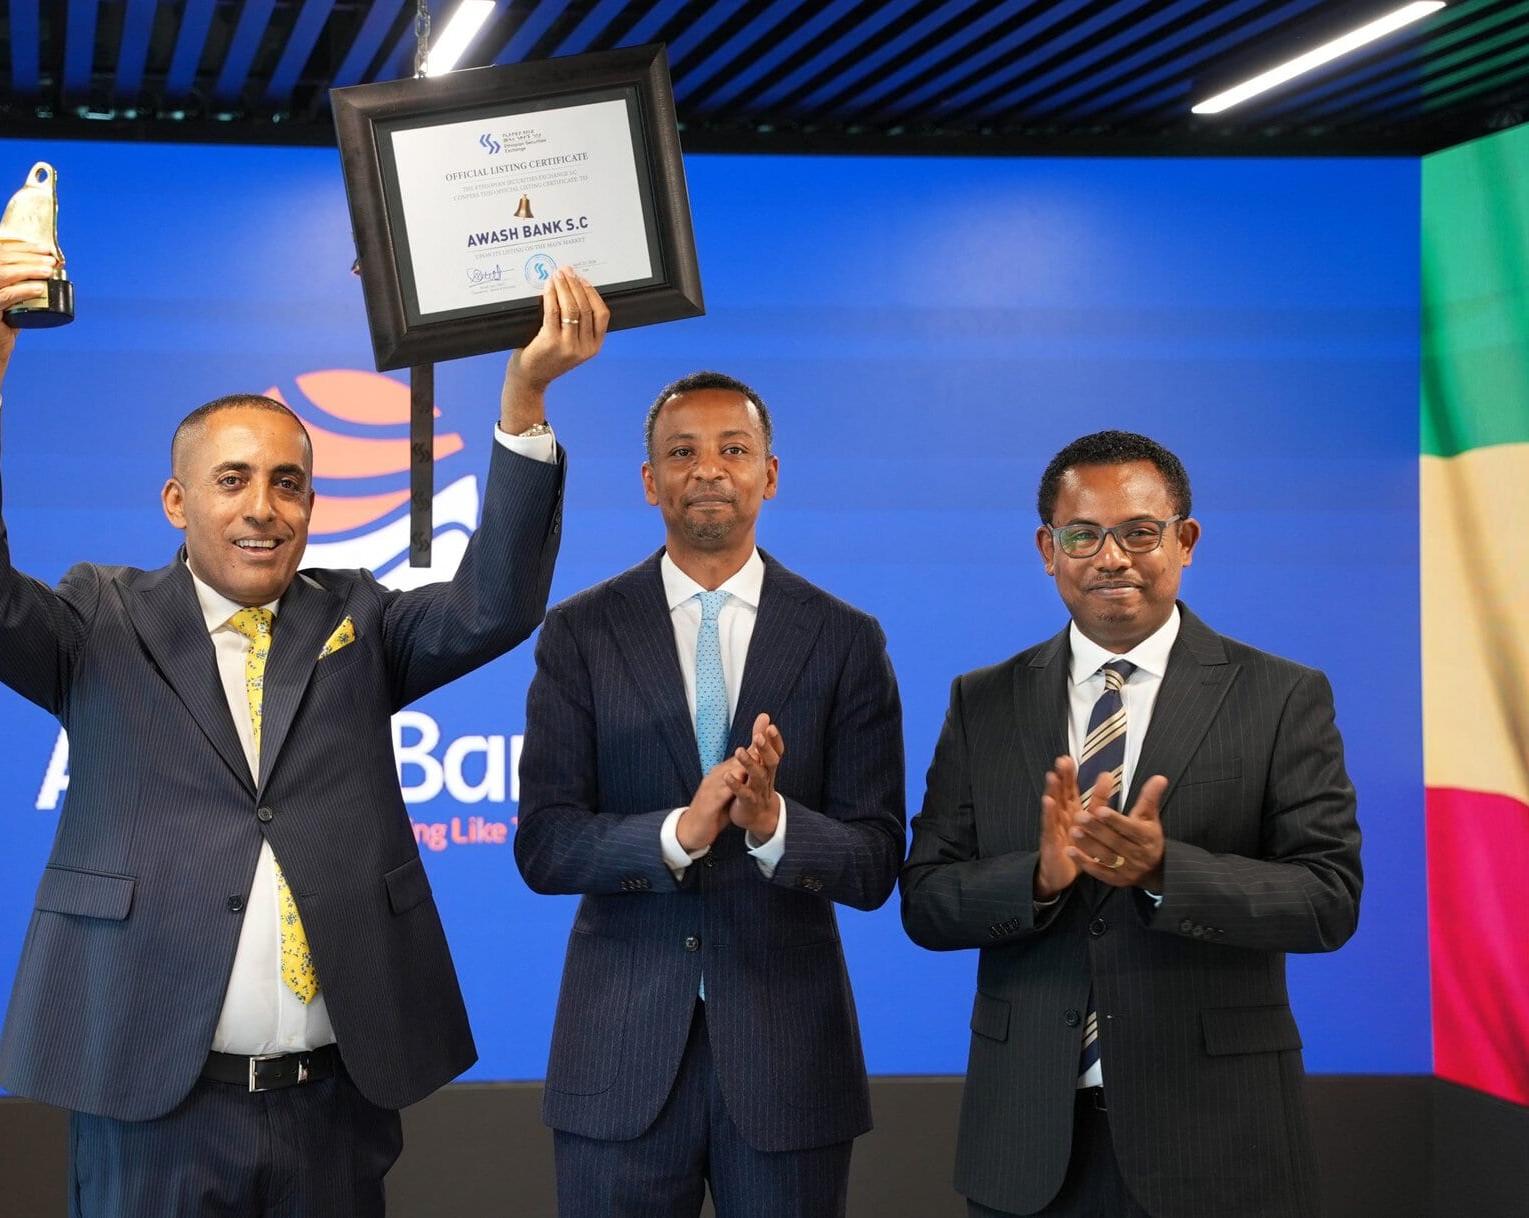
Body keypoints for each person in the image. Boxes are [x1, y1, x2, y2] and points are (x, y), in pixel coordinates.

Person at [0, 238, 607, 1215]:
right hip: (150, 1103)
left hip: (333, 1107)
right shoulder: (97, 621)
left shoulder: (359, 621)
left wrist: (524, 405)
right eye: (233, 480)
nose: (264, 508)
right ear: (177, 501)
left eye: (288, 484)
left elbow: (493, 606)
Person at [901, 430, 1363, 1218]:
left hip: (1220, 1139)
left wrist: (1164, 872)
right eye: (1083, 535)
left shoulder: (1281, 695)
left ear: (1186, 540)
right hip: (1027, 1143)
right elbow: (927, 901)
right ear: (1049, 549)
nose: (1111, 557)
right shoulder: (984, 701)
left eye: (1140, 532)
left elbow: (1327, 900)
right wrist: (1040, 878)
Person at [513, 371, 904, 1217]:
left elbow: (876, 862)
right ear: (651, 481)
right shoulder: (580, 633)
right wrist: (676, 836)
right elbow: (544, 844)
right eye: (682, 452)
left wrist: (775, 826)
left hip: (790, 1064)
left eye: (735, 449)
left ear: (770, 474)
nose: (709, 469)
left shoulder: (845, 639)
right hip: (616, 1063)